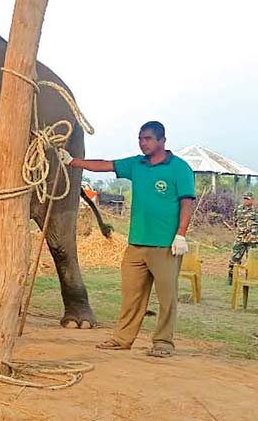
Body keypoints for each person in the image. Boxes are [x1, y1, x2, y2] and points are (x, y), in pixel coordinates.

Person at [58, 121, 195, 358]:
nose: (143, 143)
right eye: (141, 139)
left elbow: (186, 203)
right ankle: (122, 339)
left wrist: (180, 234)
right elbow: (105, 166)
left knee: (166, 297)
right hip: (136, 244)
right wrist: (72, 161)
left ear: (162, 140)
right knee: (131, 295)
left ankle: (163, 343)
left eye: (148, 139)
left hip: (165, 245)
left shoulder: (179, 168)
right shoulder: (136, 164)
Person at [229, 192, 258, 285]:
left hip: (252, 240)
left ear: (252, 200)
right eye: (244, 198)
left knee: (251, 260)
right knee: (234, 258)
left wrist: (254, 232)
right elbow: (235, 221)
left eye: (248, 199)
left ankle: (249, 279)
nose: (246, 200)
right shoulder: (238, 209)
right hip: (240, 238)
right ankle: (231, 278)